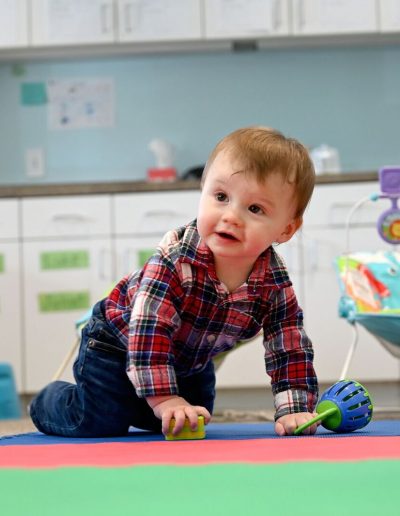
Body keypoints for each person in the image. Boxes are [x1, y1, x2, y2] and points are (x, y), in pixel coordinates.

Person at [30, 126, 319, 438]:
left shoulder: (274, 284)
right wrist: (165, 398)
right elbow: (149, 328)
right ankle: (49, 400)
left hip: (188, 362)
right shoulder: (176, 259)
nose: (231, 216)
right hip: (116, 345)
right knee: (101, 422)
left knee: (186, 421)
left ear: (286, 230)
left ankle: (141, 399)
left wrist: (294, 408)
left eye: (255, 208)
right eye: (221, 197)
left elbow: (288, 345)